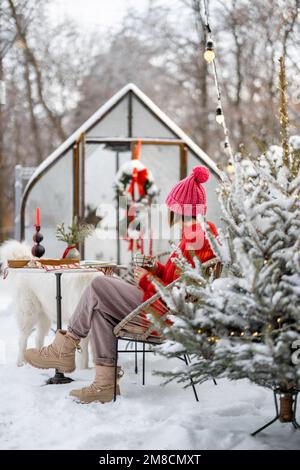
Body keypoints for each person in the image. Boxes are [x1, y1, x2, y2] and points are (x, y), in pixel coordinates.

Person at [24, 166, 218, 404]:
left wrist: (145, 278)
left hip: (163, 313)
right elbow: (178, 279)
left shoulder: (195, 240)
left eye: (171, 208)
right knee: (100, 307)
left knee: (98, 286)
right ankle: (104, 385)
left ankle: (62, 349)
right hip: (161, 306)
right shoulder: (196, 236)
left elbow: (177, 294)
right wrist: (155, 269)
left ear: (179, 210)